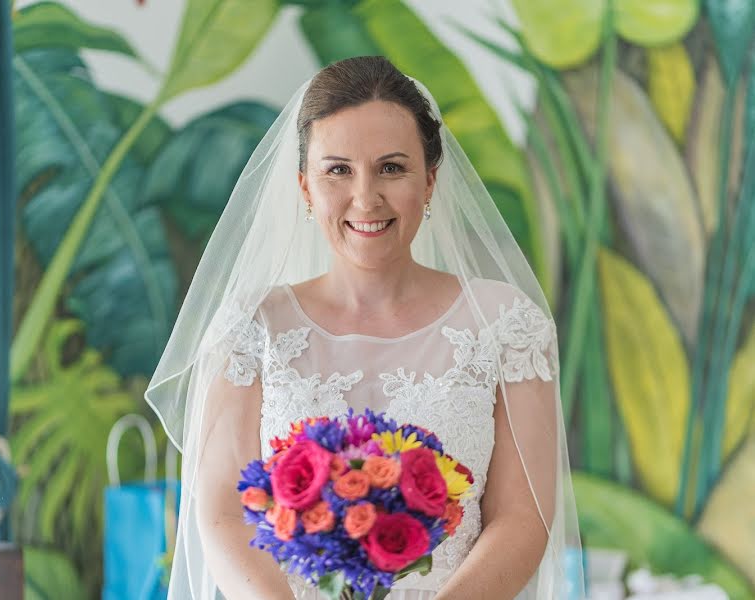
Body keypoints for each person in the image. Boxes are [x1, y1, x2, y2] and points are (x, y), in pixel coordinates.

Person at [145, 56, 584, 599]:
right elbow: (222, 516)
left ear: (430, 181)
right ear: (305, 187)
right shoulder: (252, 328)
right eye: (338, 170)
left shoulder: (506, 326)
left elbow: (523, 519)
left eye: (392, 168)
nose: (366, 197)